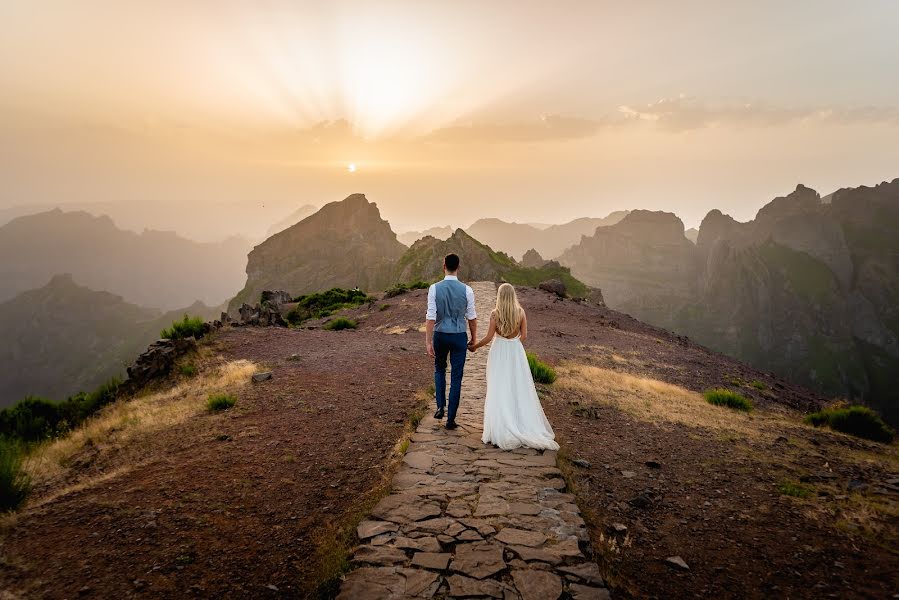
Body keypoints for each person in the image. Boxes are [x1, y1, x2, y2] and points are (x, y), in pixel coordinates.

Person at [468, 283, 559, 450]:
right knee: (517, 387)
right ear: (513, 296)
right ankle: (520, 422)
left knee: (498, 386)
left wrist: (475, 346)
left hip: (499, 351)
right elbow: (524, 336)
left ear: (500, 296)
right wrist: (513, 344)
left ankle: (500, 424)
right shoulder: (520, 312)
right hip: (515, 352)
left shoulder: (495, 314)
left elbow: (489, 337)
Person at [425, 253, 477, 430]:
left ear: (443, 265)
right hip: (458, 336)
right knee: (456, 377)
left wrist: (428, 341)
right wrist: (474, 338)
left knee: (439, 369)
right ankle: (451, 420)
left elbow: (431, 317)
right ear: (459, 267)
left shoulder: (434, 288)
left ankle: (440, 405)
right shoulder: (467, 290)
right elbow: (471, 317)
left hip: (440, 334)